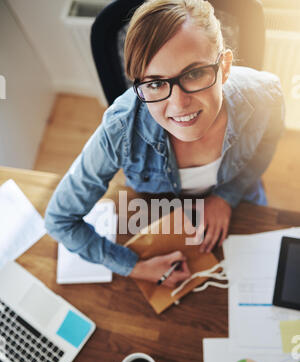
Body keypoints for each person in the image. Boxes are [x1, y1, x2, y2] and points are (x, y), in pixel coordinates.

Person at [45, 0, 285, 289]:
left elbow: (265, 145)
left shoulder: (265, 95)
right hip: (157, 208)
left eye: (195, 74)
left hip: (239, 197)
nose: (179, 105)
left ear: (224, 67)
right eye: (156, 83)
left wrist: (227, 196)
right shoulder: (121, 127)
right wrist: (135, 267)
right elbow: (60, 219)